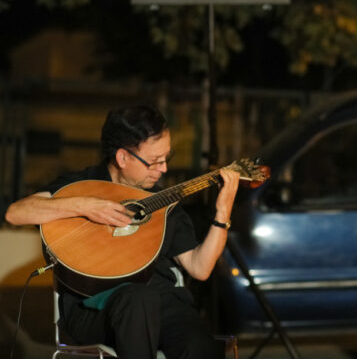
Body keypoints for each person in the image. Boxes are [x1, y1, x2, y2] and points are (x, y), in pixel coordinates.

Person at [4, 104, 239, 359]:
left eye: (166, 158)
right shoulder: (83, 185)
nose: (164, 169)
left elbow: (199, 268)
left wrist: (223, 212)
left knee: (199, 345)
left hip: (162, 303)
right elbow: (16, 213)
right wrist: (85, 205)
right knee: (139, 300)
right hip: (93, 307)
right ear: (122, 157)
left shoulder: (165, 202)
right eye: (154, 162)